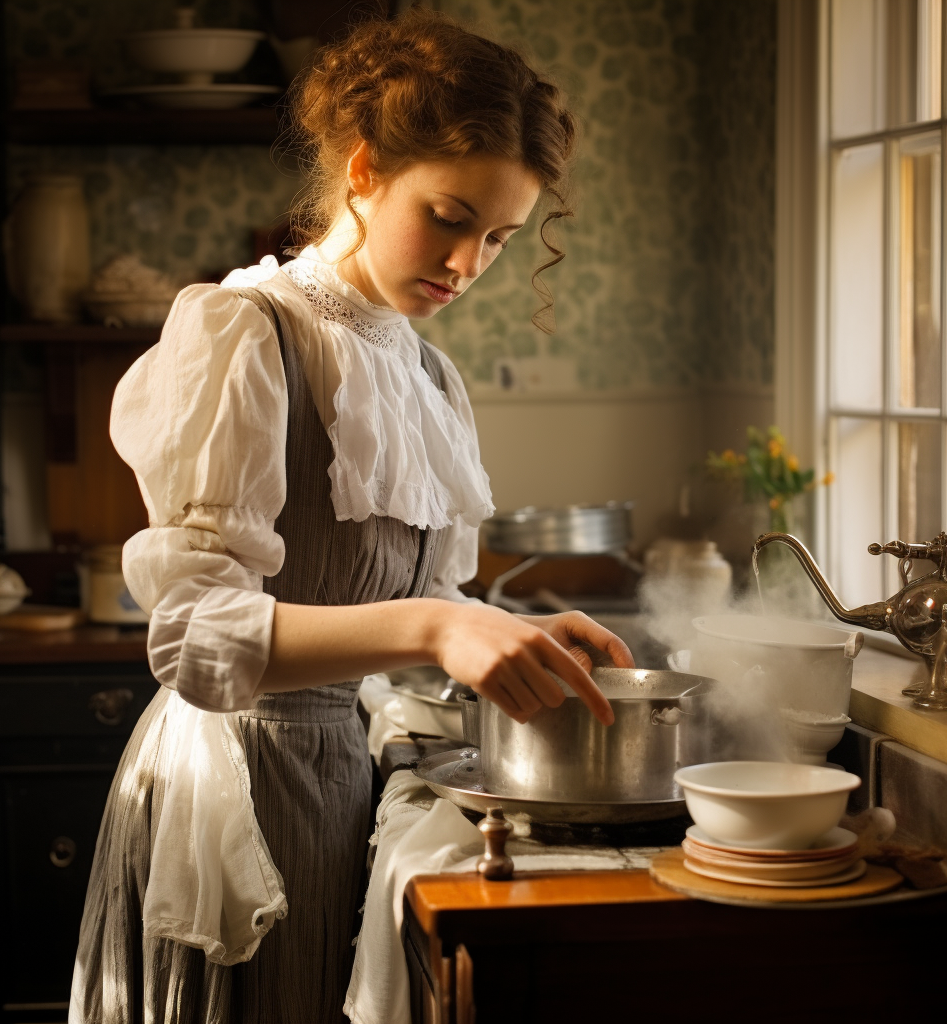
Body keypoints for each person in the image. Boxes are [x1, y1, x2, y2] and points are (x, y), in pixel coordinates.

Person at [69, 9, 633, 1024]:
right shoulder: (242, 330)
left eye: (500, 237)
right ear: (364, 170)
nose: (467, 264)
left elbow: (413, 605)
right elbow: (192, 632)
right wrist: (437, 624)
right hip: (233, 788)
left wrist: (503, 633)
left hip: (342, 784)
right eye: (450, 214)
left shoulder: (424, 370)